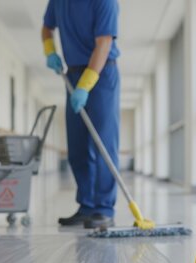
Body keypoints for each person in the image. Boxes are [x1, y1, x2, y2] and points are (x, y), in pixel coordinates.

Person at [41, 0, 121, 229]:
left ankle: (104, 208)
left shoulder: (105, 2)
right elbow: (47, 28)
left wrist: (86, 85)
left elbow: (104, 43)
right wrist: (50, 51)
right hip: (73, 74)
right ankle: (86, 206)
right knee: (77, 146)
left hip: (103, 72)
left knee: (103, 143)